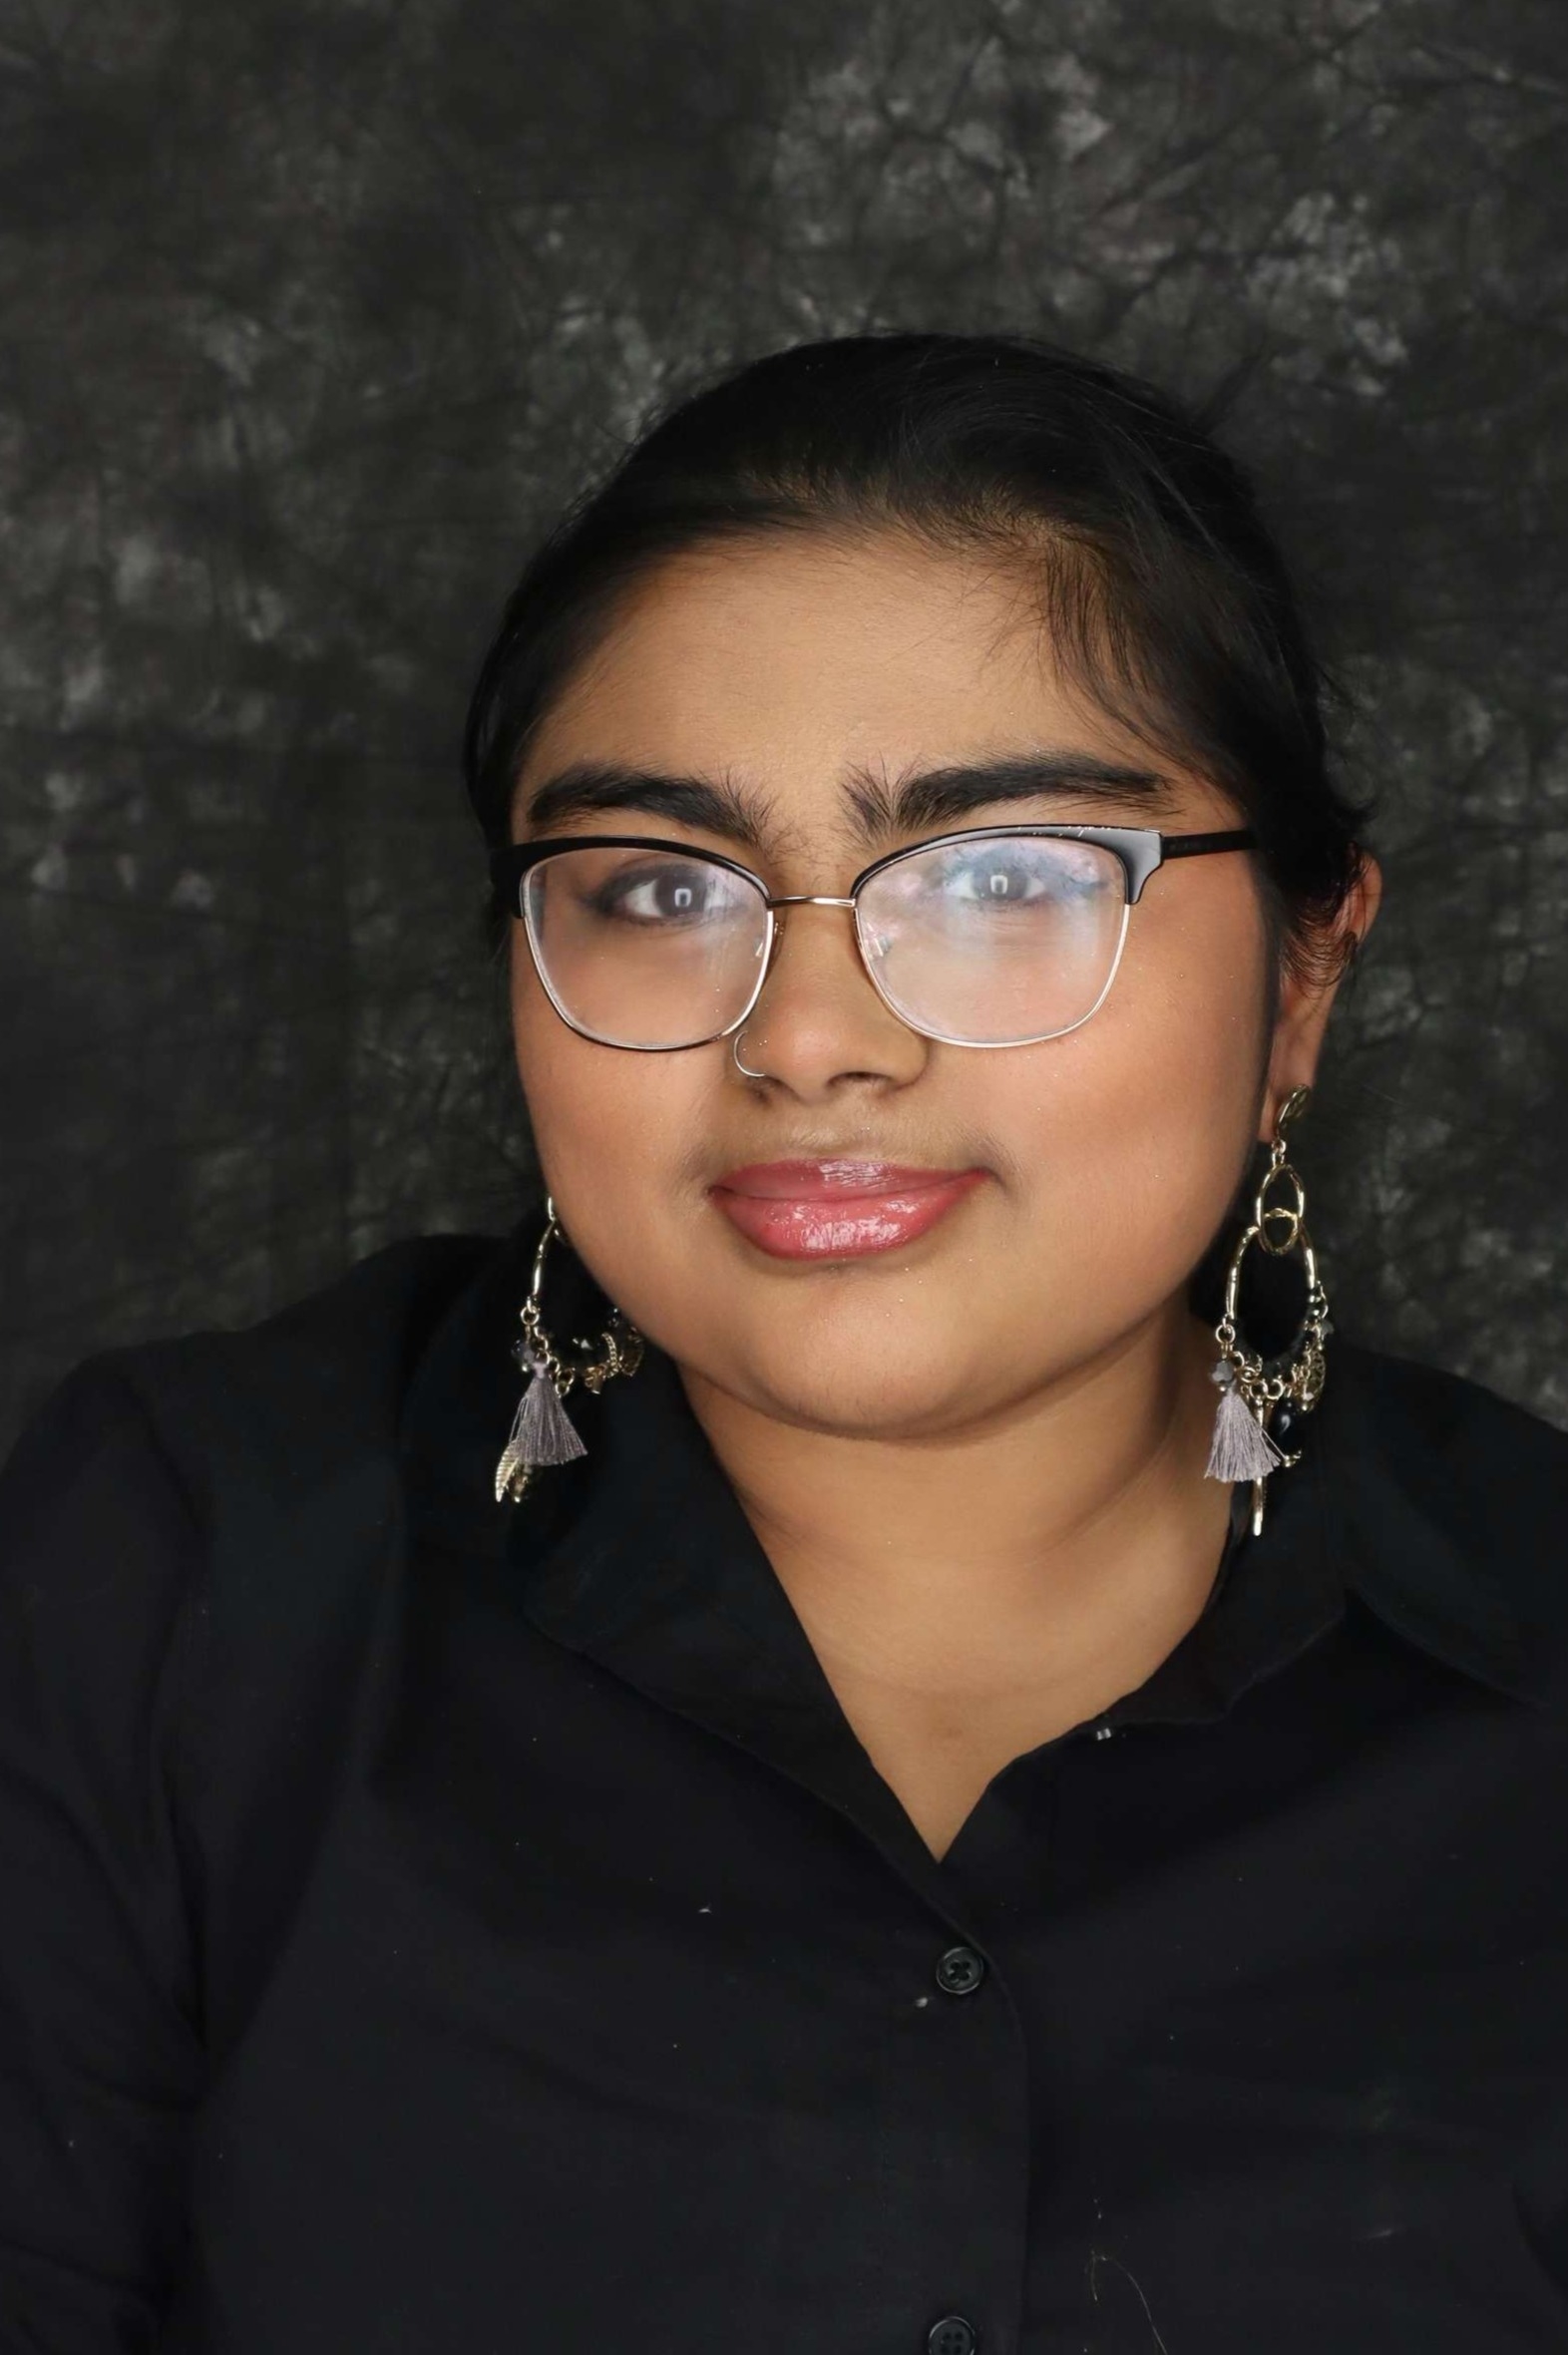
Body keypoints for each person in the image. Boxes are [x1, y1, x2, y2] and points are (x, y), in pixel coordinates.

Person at [2, 332, 1566, 2355]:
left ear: (1305, 978)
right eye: (660, 882)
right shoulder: (182, 1588)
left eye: (1002, 875)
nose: (813, 1035)